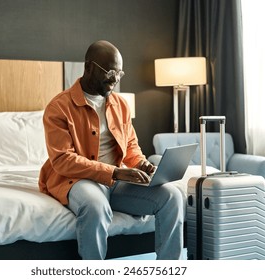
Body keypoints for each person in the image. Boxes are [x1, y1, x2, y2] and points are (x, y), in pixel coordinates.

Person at [38, 40, 184, 260]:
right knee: (96, 207)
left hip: (115, 181)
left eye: (120, 73)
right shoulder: (59, 107)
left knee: (172, 196)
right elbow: (63, 160)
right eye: (110, 71)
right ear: (88, 67)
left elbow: (131, 146)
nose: (115, 79)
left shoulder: (121, 104)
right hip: (76, 179)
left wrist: (141, 164)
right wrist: (115, 172)